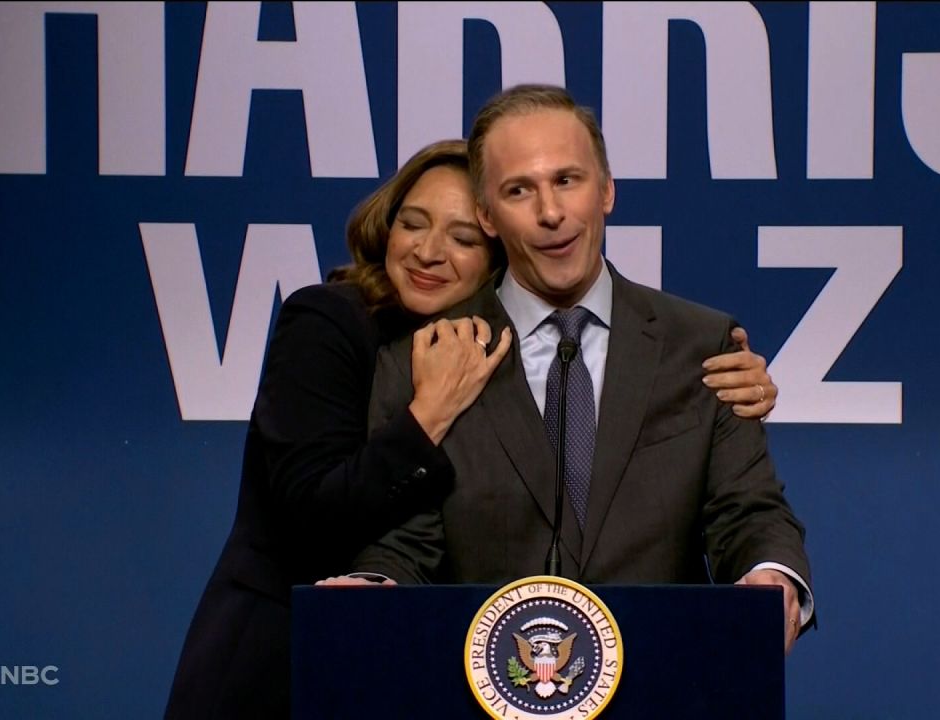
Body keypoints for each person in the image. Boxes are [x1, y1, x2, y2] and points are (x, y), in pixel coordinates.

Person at [166, 139, 781, 717]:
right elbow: (309, 513)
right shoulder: (331, 321)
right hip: (279, 656)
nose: (428, 251)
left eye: (462, 236)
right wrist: (428, 411)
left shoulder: (499, 347)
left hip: (417, 663)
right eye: (412, 222)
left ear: (496, 255)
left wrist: (725, 383)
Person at [351, 85, 815, 654]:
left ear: (607, 190)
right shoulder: (423, 358)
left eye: (567, 181)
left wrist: (771, 575)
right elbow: (404, 542)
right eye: (519, 190)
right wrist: (369, 587)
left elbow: (747, 511)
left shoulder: (702, 347)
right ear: (487, 215)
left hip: (664, 682)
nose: (550, 213)